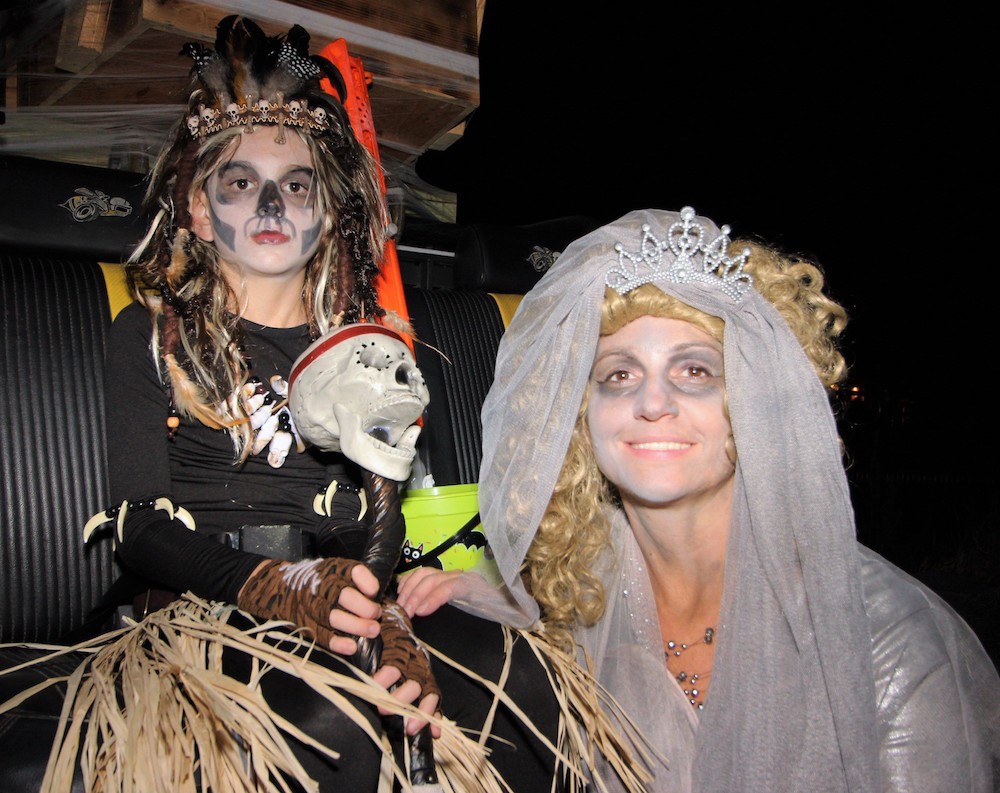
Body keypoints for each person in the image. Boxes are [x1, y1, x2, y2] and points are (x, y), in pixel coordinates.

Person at [54, 14, 561, 791]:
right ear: (198, 209)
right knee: (330, 722)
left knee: (520, 683)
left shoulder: (362, 347)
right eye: (238, 183)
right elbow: (140, 529)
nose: (270, 205)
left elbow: (371, 515)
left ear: (326, 212)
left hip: (341, 586)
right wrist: (275, 587)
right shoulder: (152, 333)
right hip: (204, 599)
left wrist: (376, 604)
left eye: (295, 186)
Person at [397, 206, 1000, 792]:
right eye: (619, 375)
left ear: (755, 401)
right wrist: (467, 597)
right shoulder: (583, 588)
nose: (653, 402)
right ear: (580, 420)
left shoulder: (886, 646)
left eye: (695, 372)